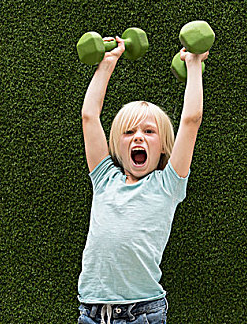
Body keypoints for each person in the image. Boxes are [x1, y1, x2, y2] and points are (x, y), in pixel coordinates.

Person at [77, 36, 209, 324]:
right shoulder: (104, 178)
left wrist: (194, 64)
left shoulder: (167, 185)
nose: (138, 136)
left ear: (162, 146)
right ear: (116, 146)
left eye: (149, 131)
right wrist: (107, 63)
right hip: (91, 311)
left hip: (142, 312)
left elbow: (191, 119)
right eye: (129, 132)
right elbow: (89, 116)